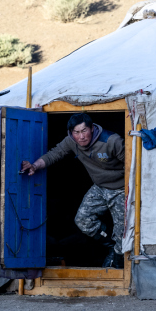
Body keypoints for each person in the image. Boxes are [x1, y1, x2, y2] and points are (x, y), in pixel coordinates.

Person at [21, 113, 125, 269]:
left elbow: (133, 164)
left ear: (92, 128)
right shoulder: (71, 141)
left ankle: (117, 261)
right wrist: (34, 166)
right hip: (100, 187)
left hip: (121, 188)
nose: (81, 136)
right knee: (83, 220)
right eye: (76, 132)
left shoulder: (111, 141)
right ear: (71, 133)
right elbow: (54, 154)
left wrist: (131, 191)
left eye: (84, 131)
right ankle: (111, 245)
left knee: (122, 231)